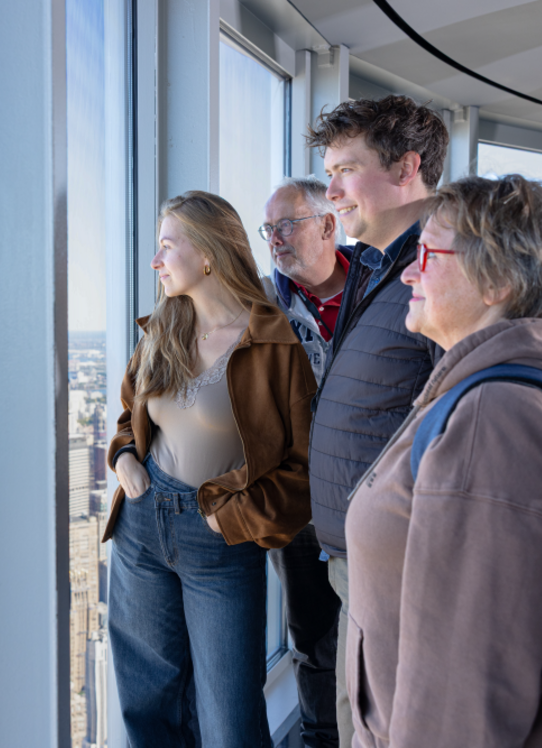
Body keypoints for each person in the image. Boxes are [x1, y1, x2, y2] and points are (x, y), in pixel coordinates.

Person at [102, 190, 317, 748]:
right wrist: (124, 456)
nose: (155, 261)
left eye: (166, 247)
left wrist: (234, 519)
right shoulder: (162, 331)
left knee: (229, 720)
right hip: (141, 531)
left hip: (221, 540)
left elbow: (303, 467)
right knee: (148, 708)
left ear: (207, 254)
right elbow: (131, 416)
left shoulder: (274, 341)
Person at [345, 174, 542, 748]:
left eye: (427, 253)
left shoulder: (491, 419)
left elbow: (462, 705)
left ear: (498, 279)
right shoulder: (484, 392)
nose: (408, 271)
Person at [304, 95, 448, 745]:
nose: (330, 190)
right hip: (357, 558)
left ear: (405, 167)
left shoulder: (440, 272)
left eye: (344, 170)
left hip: (401, 566)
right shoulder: (375, 263)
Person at [260, 176, 351, 748]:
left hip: (373, 500)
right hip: (298, 505)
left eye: (286, 225)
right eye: (268, 229)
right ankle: (321, 738)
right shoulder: (263, 307)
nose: (275, 239)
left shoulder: (384, 289)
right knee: (313, 640)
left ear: (326, 224)